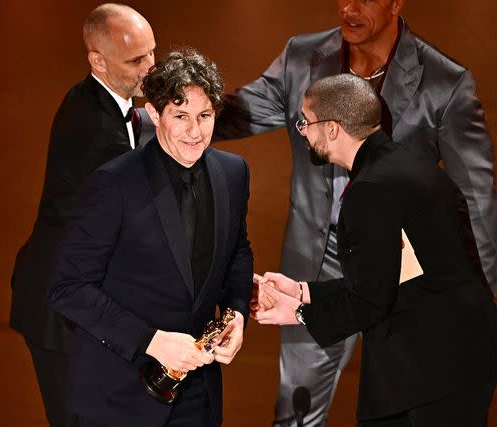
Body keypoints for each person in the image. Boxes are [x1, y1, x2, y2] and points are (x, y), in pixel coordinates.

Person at [213, 0, 497, 424]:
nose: (349, 7)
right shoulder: (306, 62)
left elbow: (475, 204)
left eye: (304, 124)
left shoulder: (441, 90)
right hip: (347, 271)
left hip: (424, 317)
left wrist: (298, 310)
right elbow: (238, 113)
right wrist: (305, 291)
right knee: (301, 410)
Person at [47, 47, 253, 427]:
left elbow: (238, 250)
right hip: (120, 398)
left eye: (204, 116)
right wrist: (151, 341)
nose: (195, 131)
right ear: (155, 113)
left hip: (198, 400)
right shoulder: (113, 184)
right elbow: (68, 287)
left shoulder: (234, 172)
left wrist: (237, 312)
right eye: (180, 116)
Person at [9, 4, 155, 426]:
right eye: (136, 59)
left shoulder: (108, 104)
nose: (151, 67)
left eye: (151, 53)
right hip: (62, 312)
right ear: (98, 61)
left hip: (86, 307)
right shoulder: (94, 128)